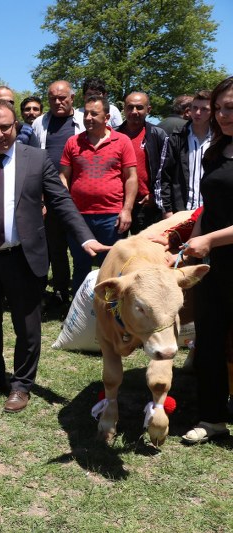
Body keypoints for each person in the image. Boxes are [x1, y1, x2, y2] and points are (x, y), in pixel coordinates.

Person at [0, 99, 105, 413]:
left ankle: (21, 385)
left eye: (6, 126)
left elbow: (61, 201)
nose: (0, 134)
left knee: (27, 327)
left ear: (16, 125)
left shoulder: (37, 159)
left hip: (24, 258)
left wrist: (85, 237)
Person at [180, 76, 233, 444]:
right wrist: (191, 241)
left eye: (229, 107)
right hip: (214, 267)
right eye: (218, 108)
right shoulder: (217, 149)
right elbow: (209, 208)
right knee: (210, 339)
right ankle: (212, 417)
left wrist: (209, 240)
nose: (222, 114)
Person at [59, 95, 137, 294]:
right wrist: (68, 211)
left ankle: (110, 314)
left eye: (94, 113)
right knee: (81, 266)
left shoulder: (122, 141)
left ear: (107, 116)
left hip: (111, 217)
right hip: (79, 217)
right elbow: (64, 177)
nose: (88, 118)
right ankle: (79, 316)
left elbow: (131, 177)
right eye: (86, 113)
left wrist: (127, 210)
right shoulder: (73, 142)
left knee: (111, 268)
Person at [31, 80, 86, 312]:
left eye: (62, 97)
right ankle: (61, 292)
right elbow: (34, 160)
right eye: (53, 98)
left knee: (80, 247)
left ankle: (82, 295)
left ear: (72, 98)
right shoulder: (39, 123)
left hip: (80, 196)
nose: (57, 102)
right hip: (49, 196)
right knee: (55, 247)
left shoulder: (84, 120)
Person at [116, 91, 168, 233]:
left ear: (148, 110)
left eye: (139, 107)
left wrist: (154, 195)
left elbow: (165, 169)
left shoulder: (157, 135)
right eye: (130, 107)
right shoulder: (114, 135)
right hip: (117, 203)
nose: (134, 111)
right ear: (124, 109)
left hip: (145, 205)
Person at [160, 90, 212, 215]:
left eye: (204, 109)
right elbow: (164, 175)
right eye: (195, 108)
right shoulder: (177, 137)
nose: (198, 113)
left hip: (211, 212)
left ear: (213, 112)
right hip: (182, 211)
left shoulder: (220, 139)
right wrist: (167, 210)